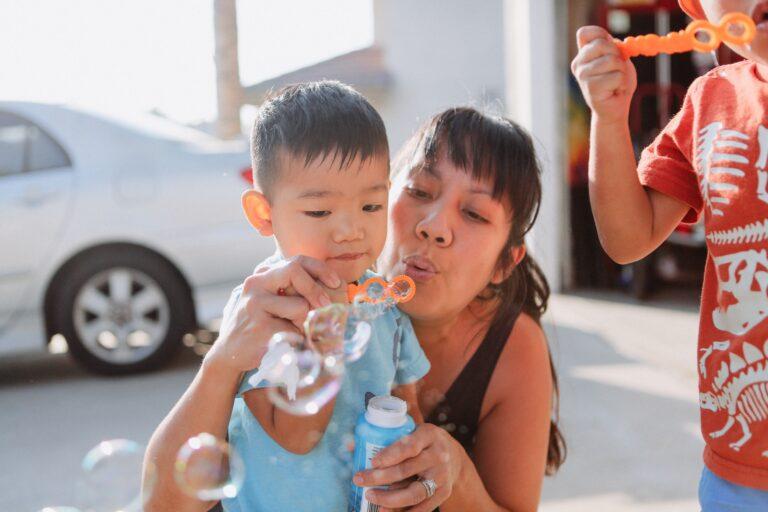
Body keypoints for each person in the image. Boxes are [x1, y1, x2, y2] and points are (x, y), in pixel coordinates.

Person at [145, 106, 565, 512]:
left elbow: (410, 423)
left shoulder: (479, 341)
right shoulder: (275, 307)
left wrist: (453, 472)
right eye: (419, 191)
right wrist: (222, 364)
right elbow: (165, 503)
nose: (434, 226)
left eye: (473, 213)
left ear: (505, 262)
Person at [571, 0, 768, 509]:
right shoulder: (711, 101)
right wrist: (608, 116)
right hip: (741, 467)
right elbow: (627, 237)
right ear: (703, 13)